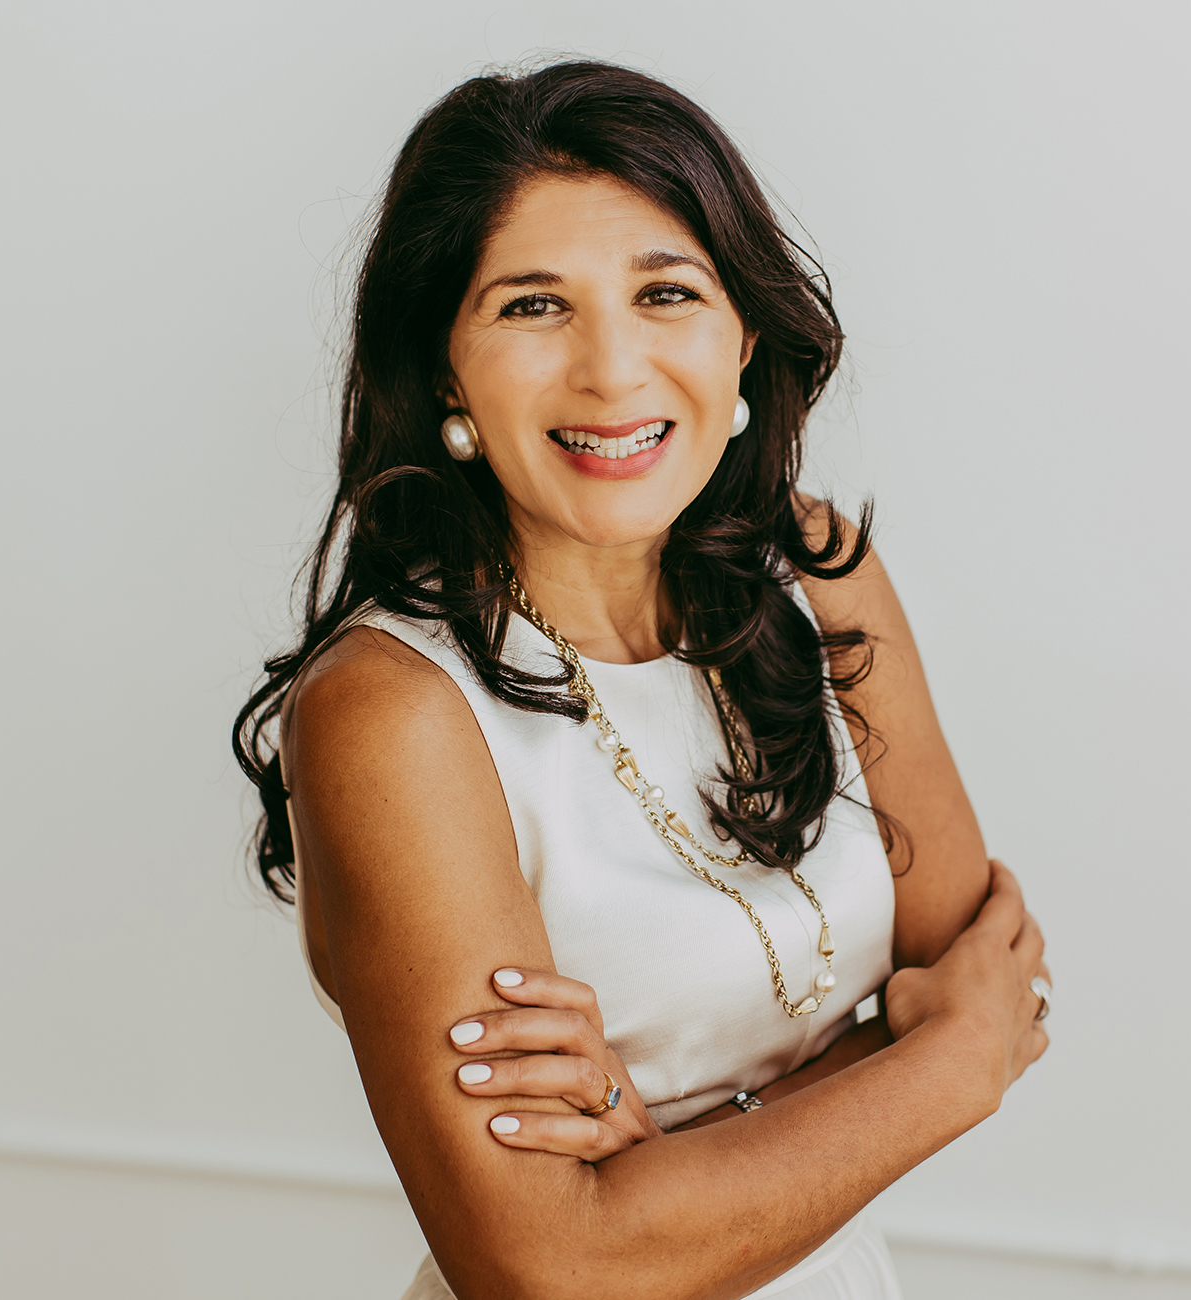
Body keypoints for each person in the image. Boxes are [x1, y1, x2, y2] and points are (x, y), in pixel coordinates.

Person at [234, 60, 1051, 1300]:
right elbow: (553, 1266)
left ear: (743, 335)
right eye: (532, 306)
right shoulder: (392, 708)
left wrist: (671, 1157)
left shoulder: (816, 572)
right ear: (445, 365)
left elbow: (992, 968)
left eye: (666, 292)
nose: (612, 369)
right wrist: (946, 1064)